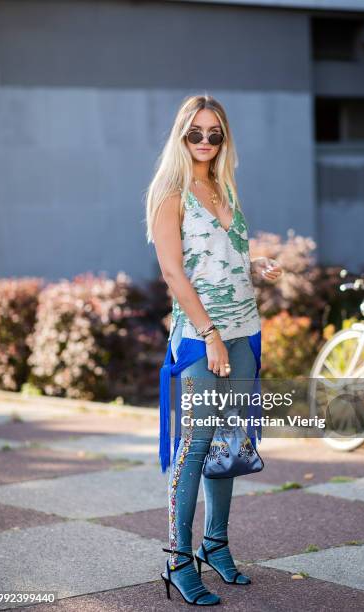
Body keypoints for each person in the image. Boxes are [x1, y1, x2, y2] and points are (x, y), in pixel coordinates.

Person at [146, 94, 282, 606]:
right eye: (196, 133)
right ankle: (179, 560)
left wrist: (255, 268)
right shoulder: (171, 193)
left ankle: (216, 545)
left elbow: (219, 262)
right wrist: (209, 334)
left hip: (246, 329)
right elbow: (174, 273)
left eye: (215, 134)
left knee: (230, 440)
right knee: (198, 442)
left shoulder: (224, 185)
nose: (205, 142)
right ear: (181, 135)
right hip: (202, 337)